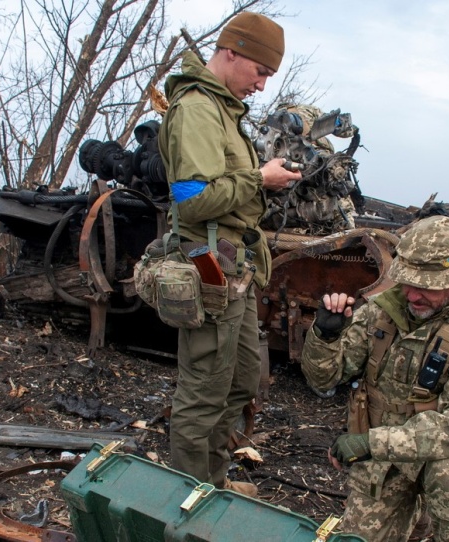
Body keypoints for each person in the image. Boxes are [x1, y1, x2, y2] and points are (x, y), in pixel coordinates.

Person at [157, 11, 301, 497]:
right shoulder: (198, 107)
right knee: (203, 391)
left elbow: (222, 186)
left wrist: (260, 178)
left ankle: (212, 484)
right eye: (260, 71)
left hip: (233, 267)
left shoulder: (222, 109)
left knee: (240, 381)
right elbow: (192, 198)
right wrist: (260, 178)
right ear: (231, 52)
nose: (261, 85)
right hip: (208, 265)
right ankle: (186, 500)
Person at [299, 215, 449, 542]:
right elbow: (323, 380)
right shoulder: (382, 312)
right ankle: (410, 517)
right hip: (386, 461)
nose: (412, 295)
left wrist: (372, 443)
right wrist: (325, 336)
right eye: (408, 282)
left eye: (426, 287)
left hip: (435, 458)